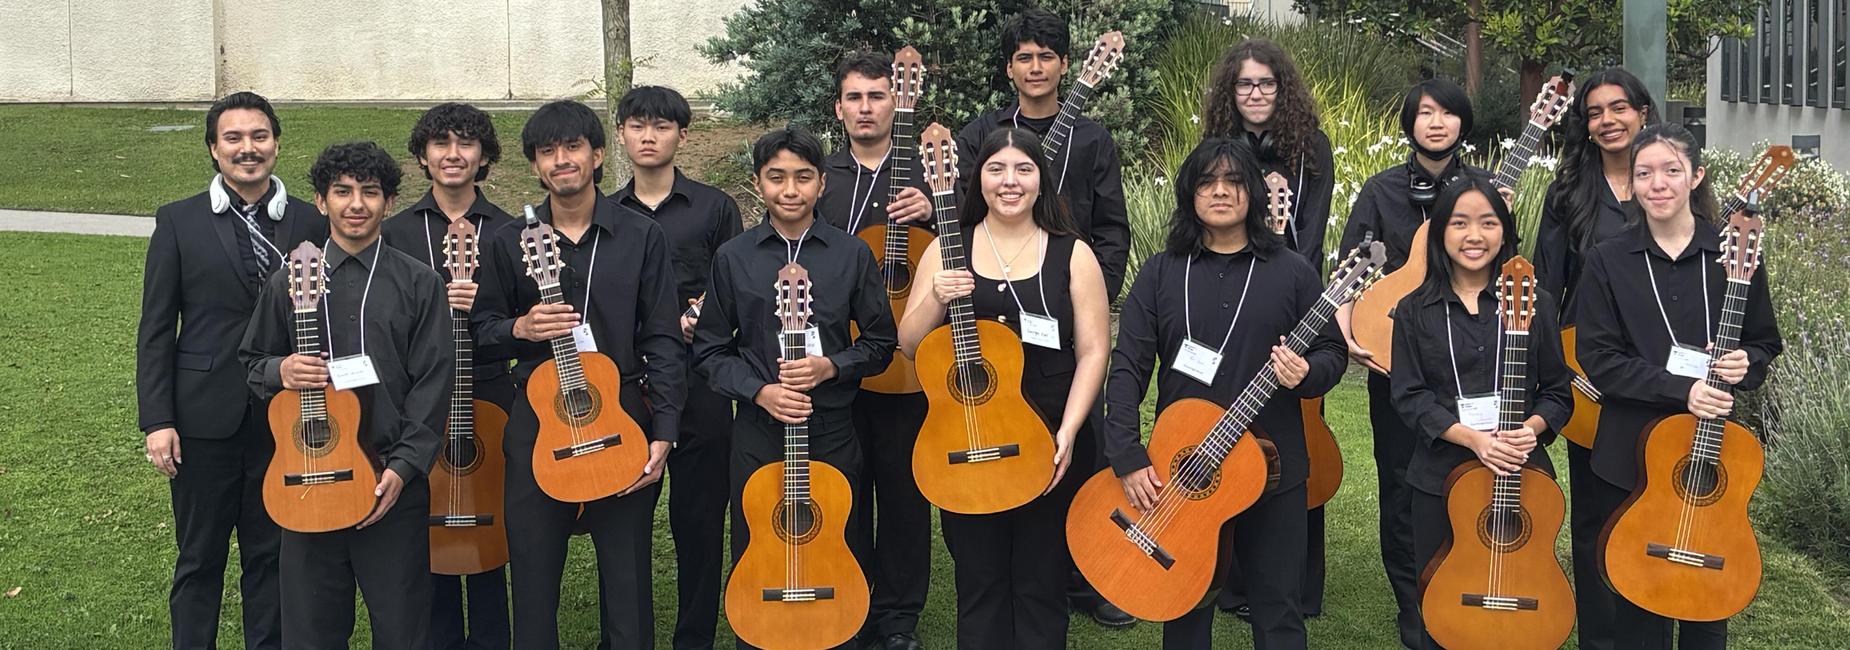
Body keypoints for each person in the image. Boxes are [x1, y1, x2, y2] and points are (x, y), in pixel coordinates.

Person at [1104, 138, 1345, 649]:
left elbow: (1332, 351)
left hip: (1273, 471)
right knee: (1185, 609)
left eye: (1234, 181)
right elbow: (1127, 367)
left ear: (1253, 192)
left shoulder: (1292, 271)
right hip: (1183, 469)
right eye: (1207, 181)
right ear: (1189, 194)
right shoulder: (1161, 271)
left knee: (1278, 610)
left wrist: (1306, 372)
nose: (1220, 191)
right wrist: (1125, 453)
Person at [470, 99, 687, 649]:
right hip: (538, 420)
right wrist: (520, 328)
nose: (561, 160)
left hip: (621, 416)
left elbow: (663, 336)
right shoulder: (505, 241)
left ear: (597, 154)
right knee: (533, 572)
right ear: (535, 164)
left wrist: (664, 429)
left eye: (572, 147)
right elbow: (480, 330)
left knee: (628, 576)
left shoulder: (641, 236)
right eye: (547, 151)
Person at [897, 127, 1111, 648]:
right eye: (996, 169)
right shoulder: (949, 248)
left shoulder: (1072, 253)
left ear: (1042, 180)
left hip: (1047, 437)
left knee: (1042, 579)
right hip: (964, 440)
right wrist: (936, 298)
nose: (1009, 182)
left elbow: (1093, 351)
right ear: (978, 180)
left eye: (1023, 169)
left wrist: (1069, 431)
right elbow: (908, 344)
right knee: (980, 581)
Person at [1574, 124, 1782, 649]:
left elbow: (1763, 341)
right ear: (1631, 183)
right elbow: (1598, 359)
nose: (1658, 183)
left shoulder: (1736, 254)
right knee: (1638, 607)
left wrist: (1746, 362)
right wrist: (1679, 389)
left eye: (1671, 170)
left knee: (1708, 603)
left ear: (1696, 176)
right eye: (1644, 173)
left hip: (1708, 457)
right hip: (1630, 454)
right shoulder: (1608, 260)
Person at [239, 141, 453, 648]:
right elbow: (252, 362)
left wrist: (404, 468)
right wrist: (281, 369)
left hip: (388, 482)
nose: (356, 204)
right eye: (342, 191)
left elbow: (434, 381)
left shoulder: (420, 284)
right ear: (320, 201)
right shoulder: (289, 281)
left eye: (370, 192)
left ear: (389, 203)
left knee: (403, 631)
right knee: (311, 633)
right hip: (308, 479)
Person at [692, 126, 897, 649]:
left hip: (831, 430)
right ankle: (759, 635)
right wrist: (760, 391)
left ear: (822, 183)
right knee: (760, 542)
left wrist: (831, 367)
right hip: (759, 433)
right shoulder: (734, 257)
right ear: (758, 182)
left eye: (803, 177)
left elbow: (881, 343)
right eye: (776, 177)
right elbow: (710, 351)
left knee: (840, 541)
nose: (790, 190)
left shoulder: (851, 254)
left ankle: (842, 634)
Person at [137, 90, 326, 650]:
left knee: (273, 555)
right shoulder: (178, 221)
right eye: (234, 138)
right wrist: (158, 421)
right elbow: (155, 330)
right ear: (213, 149)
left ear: (276, 144)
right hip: (203, 418)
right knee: (200, 558)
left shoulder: (311, 220)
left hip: (287, 417)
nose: (248, 148)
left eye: (259, 136)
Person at [1334, 78, 1488, 648]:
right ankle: (1414, 603)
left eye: (1448, 113)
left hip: (1467, 363)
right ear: (1410, 123)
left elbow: (1506, 270)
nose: (1437, 122)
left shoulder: (1482, 189)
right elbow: (1349, 268)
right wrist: (1348, 329)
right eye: (1425, 113)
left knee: (1470, 480)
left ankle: (1471, 587)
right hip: (1396, 357)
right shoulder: (1380, 192)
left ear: (1463, 123)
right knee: (1400, 484)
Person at [1389, 177, 1573, 649]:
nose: (1475, 236)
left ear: (1504, 231)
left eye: (1488, 223)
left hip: (1521, 474)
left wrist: (1530, 429)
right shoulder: (1414, 311)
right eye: (1460, 223)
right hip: (1440, 477)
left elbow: (1557, 392)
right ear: (1440, 232)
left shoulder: (1535, 303)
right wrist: (1473, 439)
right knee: (1443, 606)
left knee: (1524, 590)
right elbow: (1409, 396)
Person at [1197, 38, 1338, 620]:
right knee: (1224, 437)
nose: (1255, 93)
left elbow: (1315, 228)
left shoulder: (1312, 148)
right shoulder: (1217, 149)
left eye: (1266, 83)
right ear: (1230, 92)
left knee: (1295, 438)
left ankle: (1296, 584)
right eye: (1244, 84)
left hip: (1293, 301)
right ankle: (1230, 581)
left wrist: (1288, 290)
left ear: (1282, 89)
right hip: (1229, 305)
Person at [608, 85, 744, 650]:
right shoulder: (606, 214)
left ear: (682, 136)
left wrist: (700, 316)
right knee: (623, 523)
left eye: (661, 126)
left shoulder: (715, 208)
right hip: (628, 385)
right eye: (638, 126)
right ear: (620, 134)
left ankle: (694, 638)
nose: (649, 136)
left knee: (699, 521)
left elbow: (736, 282)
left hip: (701, 381)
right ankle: (623, 637)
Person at [1529, 67, 1658, 650]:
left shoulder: (1669, 181)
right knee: (1594, 515)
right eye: (1595, 112)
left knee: (1654, 507)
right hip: (1586, 371)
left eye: (1618, 108)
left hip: (1658, 375)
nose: (1607, 121)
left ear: (1643, 113)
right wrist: (1555, 369)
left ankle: (1649, 626)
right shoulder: (1569, 192)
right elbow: (1546, 286)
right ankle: (1600, 641)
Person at [380, 101, 515, 650]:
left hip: (491, 392)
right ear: (422, 155)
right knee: (426, 522)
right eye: (441, 143)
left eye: (466, 143)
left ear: (484, 155)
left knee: (490, 523)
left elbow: (525, 322)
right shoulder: (393, 233)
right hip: (418, 399)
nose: (453, 154)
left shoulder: (510, 230)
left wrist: (486, 313)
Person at [816, 50, 934, 650]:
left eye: (877, 96)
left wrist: (935, 211)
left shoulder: (926, 173)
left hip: (910, 362)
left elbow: (966, 243)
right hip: (840, 359)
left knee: (906, 493)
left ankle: (898, 617)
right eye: (854, 97)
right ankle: (851, 600)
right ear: (839, 108)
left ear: (898, 101)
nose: (866, 108)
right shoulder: (820, 178)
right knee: (845, 489)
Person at [954, 8, 1130, 304]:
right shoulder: (980, 135)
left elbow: (1111, 228)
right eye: (1024, 58)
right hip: (990, 289)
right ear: (1009, 68)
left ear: (1064, 64)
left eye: (1046, 57)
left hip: (1068, 289)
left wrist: (1094, 295)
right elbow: (960, 213)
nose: (1035, 68)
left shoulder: (1093, 141)